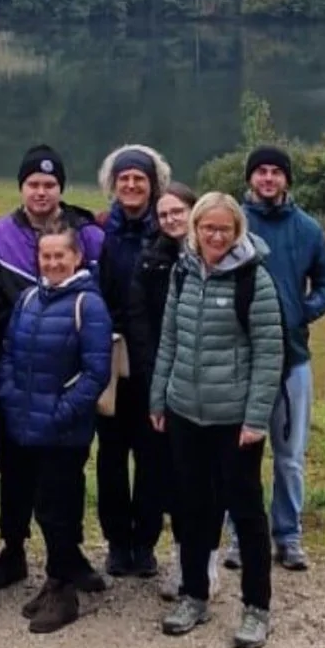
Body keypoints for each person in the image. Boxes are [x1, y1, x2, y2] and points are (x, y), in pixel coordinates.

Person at [150, 192, 285, 648]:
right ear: (194, 228)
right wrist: (159, 397)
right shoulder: (183, 272)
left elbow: (269, 354)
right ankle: (194, 595)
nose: (215, 236)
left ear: (237, 231)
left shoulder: (255, 280)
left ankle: (256, 606)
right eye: (207, 227)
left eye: (224, 229)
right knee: (192, 508)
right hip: (186, 411)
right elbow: (169, 337)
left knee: (246, 512)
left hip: (234, 420)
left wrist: (255, 418)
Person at [0, 146, 105, 594]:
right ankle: (12, 550)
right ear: (21, 188)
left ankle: (67, 556)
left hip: (67, 380)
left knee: (66, 473)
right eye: (33, 184)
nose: (42, 191)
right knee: (13, 466)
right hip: (11, 375)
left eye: (50, 185)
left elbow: (100, 302)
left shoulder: (88, 236)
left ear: (61, 189)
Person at [0, 224, 113, 634]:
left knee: (57, 508)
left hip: (64, 430)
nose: (52, 263)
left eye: (60, 256)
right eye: (45, 257)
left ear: (77, 257)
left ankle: (64, 591)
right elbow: (8, 352)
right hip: (28, 423)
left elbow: (96, 372)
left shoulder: (88, 304)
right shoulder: (29, 298)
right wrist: (10, 397)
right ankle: (53, 580)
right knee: (42, 505)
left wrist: (62, 411)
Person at [237, 145, 325, 572]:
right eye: (260, 171)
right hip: (240, 357)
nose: (267, 179)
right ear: (250, 178)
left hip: (292, 357)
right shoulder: (232, 223)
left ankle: (288, 533)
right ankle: (239, 536)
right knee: (237, 454)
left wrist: (302, 313)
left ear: (286, 180)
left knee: (289, 455)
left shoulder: (309, 230)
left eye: (275, 172)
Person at [94, 144, 173, 581]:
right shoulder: (99, 229)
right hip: (108, 357)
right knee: (110, 455)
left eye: (138, 178)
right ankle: (116, 542)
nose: (130, 184)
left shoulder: (168, 229)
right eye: (124, 178)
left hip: (154, 359)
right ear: (113, 182)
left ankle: (145, 544)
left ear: (152, 182)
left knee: (151, 455)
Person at [126, 181, 205, 602]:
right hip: (161, 380)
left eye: (178, 212)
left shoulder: (215, 255)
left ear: (194, 211)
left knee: (199, 478)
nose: (171, 220)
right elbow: (138, 319)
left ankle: (197, 564)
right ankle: (175, 559)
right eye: (164, 214)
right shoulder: (151, 259)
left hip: (205, 385)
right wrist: (154, 373)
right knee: (164, 474)